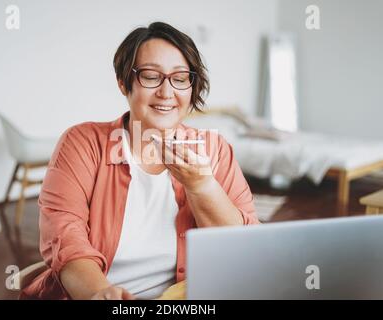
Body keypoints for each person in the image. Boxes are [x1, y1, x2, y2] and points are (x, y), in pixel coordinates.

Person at [21, 21, 259, 300]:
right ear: (124, 83)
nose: (166, 92)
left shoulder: (214, 149)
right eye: (150, 76)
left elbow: (246, 250)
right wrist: (102, 294)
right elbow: (67, 242)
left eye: (180, 78)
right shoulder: (83, 143)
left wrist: (202, 186)